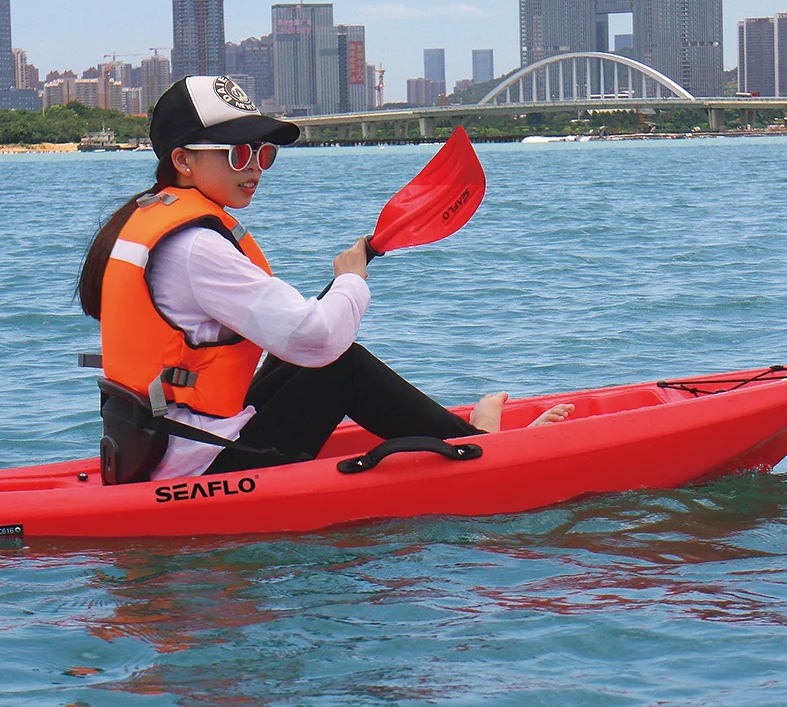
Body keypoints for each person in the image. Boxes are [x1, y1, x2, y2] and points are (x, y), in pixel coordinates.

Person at [78, 75, 572, 484]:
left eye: (262, 153)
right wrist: (351, 281)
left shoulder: (150, 220)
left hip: (154, 447)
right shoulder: (195, 245)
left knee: (309, 358)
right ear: (183, 160)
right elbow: (316, 340)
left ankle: (462, 440)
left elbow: (291, 341)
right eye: (237, 154)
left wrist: (345, 281)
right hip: (195, 467)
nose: (255, 168)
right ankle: (479, 451)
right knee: (340, 363)